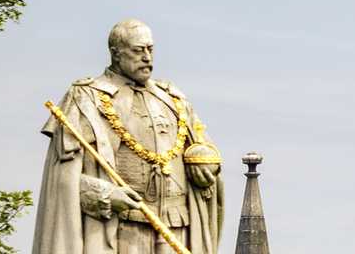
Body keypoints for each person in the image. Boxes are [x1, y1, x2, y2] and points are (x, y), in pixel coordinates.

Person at [33, 20, 225, 254]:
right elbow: (63, 180)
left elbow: (205, 148)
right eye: (138, 50)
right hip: (121, 228)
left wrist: (206, 162)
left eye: (150, 49)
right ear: (115, 53)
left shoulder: (173, 98)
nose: (147, 57)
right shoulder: (87, 98)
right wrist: (106, 194)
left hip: (179, 227)